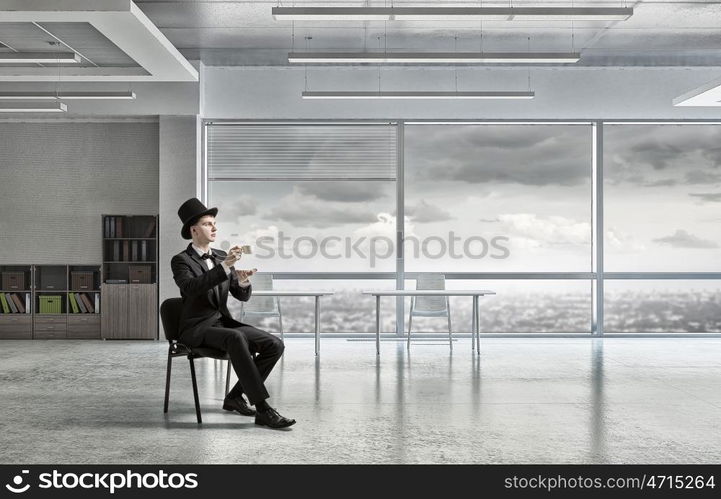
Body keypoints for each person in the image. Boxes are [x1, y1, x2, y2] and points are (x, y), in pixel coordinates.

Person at [171, 197, 295, 429]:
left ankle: (235, 396)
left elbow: (241, 295)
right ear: (194, 229)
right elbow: (190, 289)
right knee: (235, 337)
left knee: (274, 344)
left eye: (215, 223)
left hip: (222, 323)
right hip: (196, 328)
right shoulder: (181, 261)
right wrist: (225, 267)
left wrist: (243, 281)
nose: (215, 227)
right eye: (208, 223)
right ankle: (264, 409)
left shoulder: (219, 255)